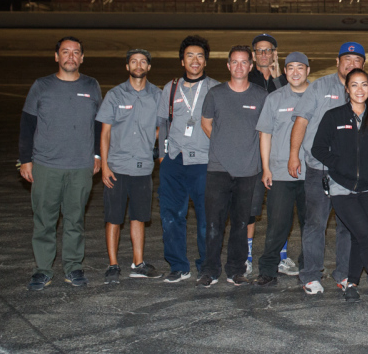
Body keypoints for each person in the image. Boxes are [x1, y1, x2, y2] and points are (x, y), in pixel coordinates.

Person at [311, 69, 368, 305]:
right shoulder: (333, 116)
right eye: (354, 85)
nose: (359, 90)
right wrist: (340, 166)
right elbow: (318, 149)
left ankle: (351, 284)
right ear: (347, 89)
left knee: (359, 236)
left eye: (364, 85)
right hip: (342, 187)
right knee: (365, 234)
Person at [19, 36, 102, 290]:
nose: (70, 56)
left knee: (75, 220)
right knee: (44, 220)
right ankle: (43, 269)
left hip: (80, 166)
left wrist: (97, 155)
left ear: (82, 58)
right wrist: (25, 160)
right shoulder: (41, 86)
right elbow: (27, 124)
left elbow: (100, 125)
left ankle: (73, 267)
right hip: (46, 165)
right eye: (65, 52)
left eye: (76, 52)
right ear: (56, 57)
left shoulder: (92, 85)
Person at [291, 42, 364, 295]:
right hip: (318, 169)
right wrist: (293, 155)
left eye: (357, 60)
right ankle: (310, 274)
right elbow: (301, 121)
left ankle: (343, 274)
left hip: (349, 172)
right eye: (347, 59)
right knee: (315, 223)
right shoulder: (319, 87)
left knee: (348, 225)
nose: (351, 64)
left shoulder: (365, 89)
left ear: (363, 65)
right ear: (337, 61)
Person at [198, 45, 268, 287]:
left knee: (240, 223)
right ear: (228, 65)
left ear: (251, 66)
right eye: (234, 62)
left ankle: (236, 270)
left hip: (248, 170)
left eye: (244, 62)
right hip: (218, 169)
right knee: (214, 224)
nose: (239, 66)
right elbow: (206, 123)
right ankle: (209, 270)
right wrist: (221, 148)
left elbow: (264, 132)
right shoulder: (215, 94)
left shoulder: (260, 96)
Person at [96, 48, 162, 283]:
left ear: (148, 67)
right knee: (114, 218)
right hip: (117, 167)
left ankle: (138, 262)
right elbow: (104, 133)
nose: (138, 65)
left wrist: (156, 147)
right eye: (133, 61)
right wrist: (104, 166)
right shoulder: (115, 95)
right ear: (127, 67)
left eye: (143, 61)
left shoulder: (157, 95)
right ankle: (113, 264)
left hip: (143, 168)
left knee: (139, 217)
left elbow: (162, 127)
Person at [157, 35, 219, 283]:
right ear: (182, 60)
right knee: (171, 216)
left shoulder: (216, 88)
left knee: (207, 219)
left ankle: (206, 266)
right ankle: (178, 266)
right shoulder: (170, 87)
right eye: (190, 56)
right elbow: (162, 121)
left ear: (206, 61)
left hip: (204, 161)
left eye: (200, 56)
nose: (195, 60)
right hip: (174, 159)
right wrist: (162, 157)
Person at [252, 51, 312, 287]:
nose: (295, 72)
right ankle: (268, 270)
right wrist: (266, 168)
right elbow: (265, 134)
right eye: (290, 68)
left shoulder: (317, 96)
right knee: (277, 225)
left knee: (311, 225)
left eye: (300, 67)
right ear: (284, 71)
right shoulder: (275, 99)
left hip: (311, 173)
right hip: (280, 172)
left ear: (308, 70)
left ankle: (309, 268)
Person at [245, 33, 286, 276]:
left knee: (280, 208)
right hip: (252, 156)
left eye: (268, 50)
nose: (264, 54)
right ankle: (247, 256)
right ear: (253, 55)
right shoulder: (245, 79)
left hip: (278, 155)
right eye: (259, 50)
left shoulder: (282, 82)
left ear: (274, 54)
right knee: (250, 209)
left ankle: (282, 255)